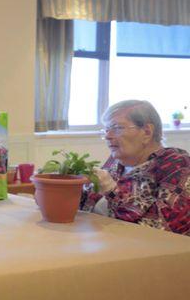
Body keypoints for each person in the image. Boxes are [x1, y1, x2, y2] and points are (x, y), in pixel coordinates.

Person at [81, 100, 190, 236]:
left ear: (146, 132)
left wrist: (112, 190)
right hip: (98, 240)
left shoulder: (176, 165)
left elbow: (162, 228)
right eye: (107, 129)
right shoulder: (116, 162)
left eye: (117, 128)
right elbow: (84, 208)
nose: (108, 136)